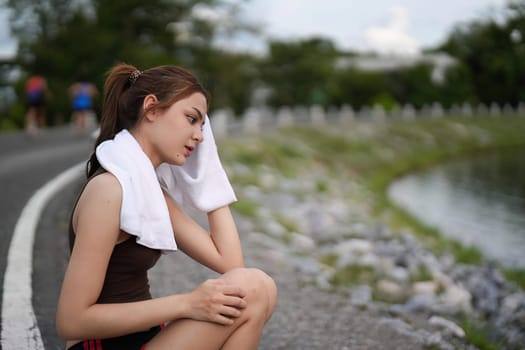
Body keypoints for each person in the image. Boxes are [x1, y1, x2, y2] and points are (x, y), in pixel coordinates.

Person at [56, 63, 277, 350]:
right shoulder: (109, 190)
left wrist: (208, 173)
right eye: (191, 119)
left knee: (258, 288)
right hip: (100, 346)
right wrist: (187, 304)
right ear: (152, 109)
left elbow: (230, 263)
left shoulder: (146, 187)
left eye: (203, 127)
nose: (199, 136)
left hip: (144, 339)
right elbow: (71, 321)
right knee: (253, 289)